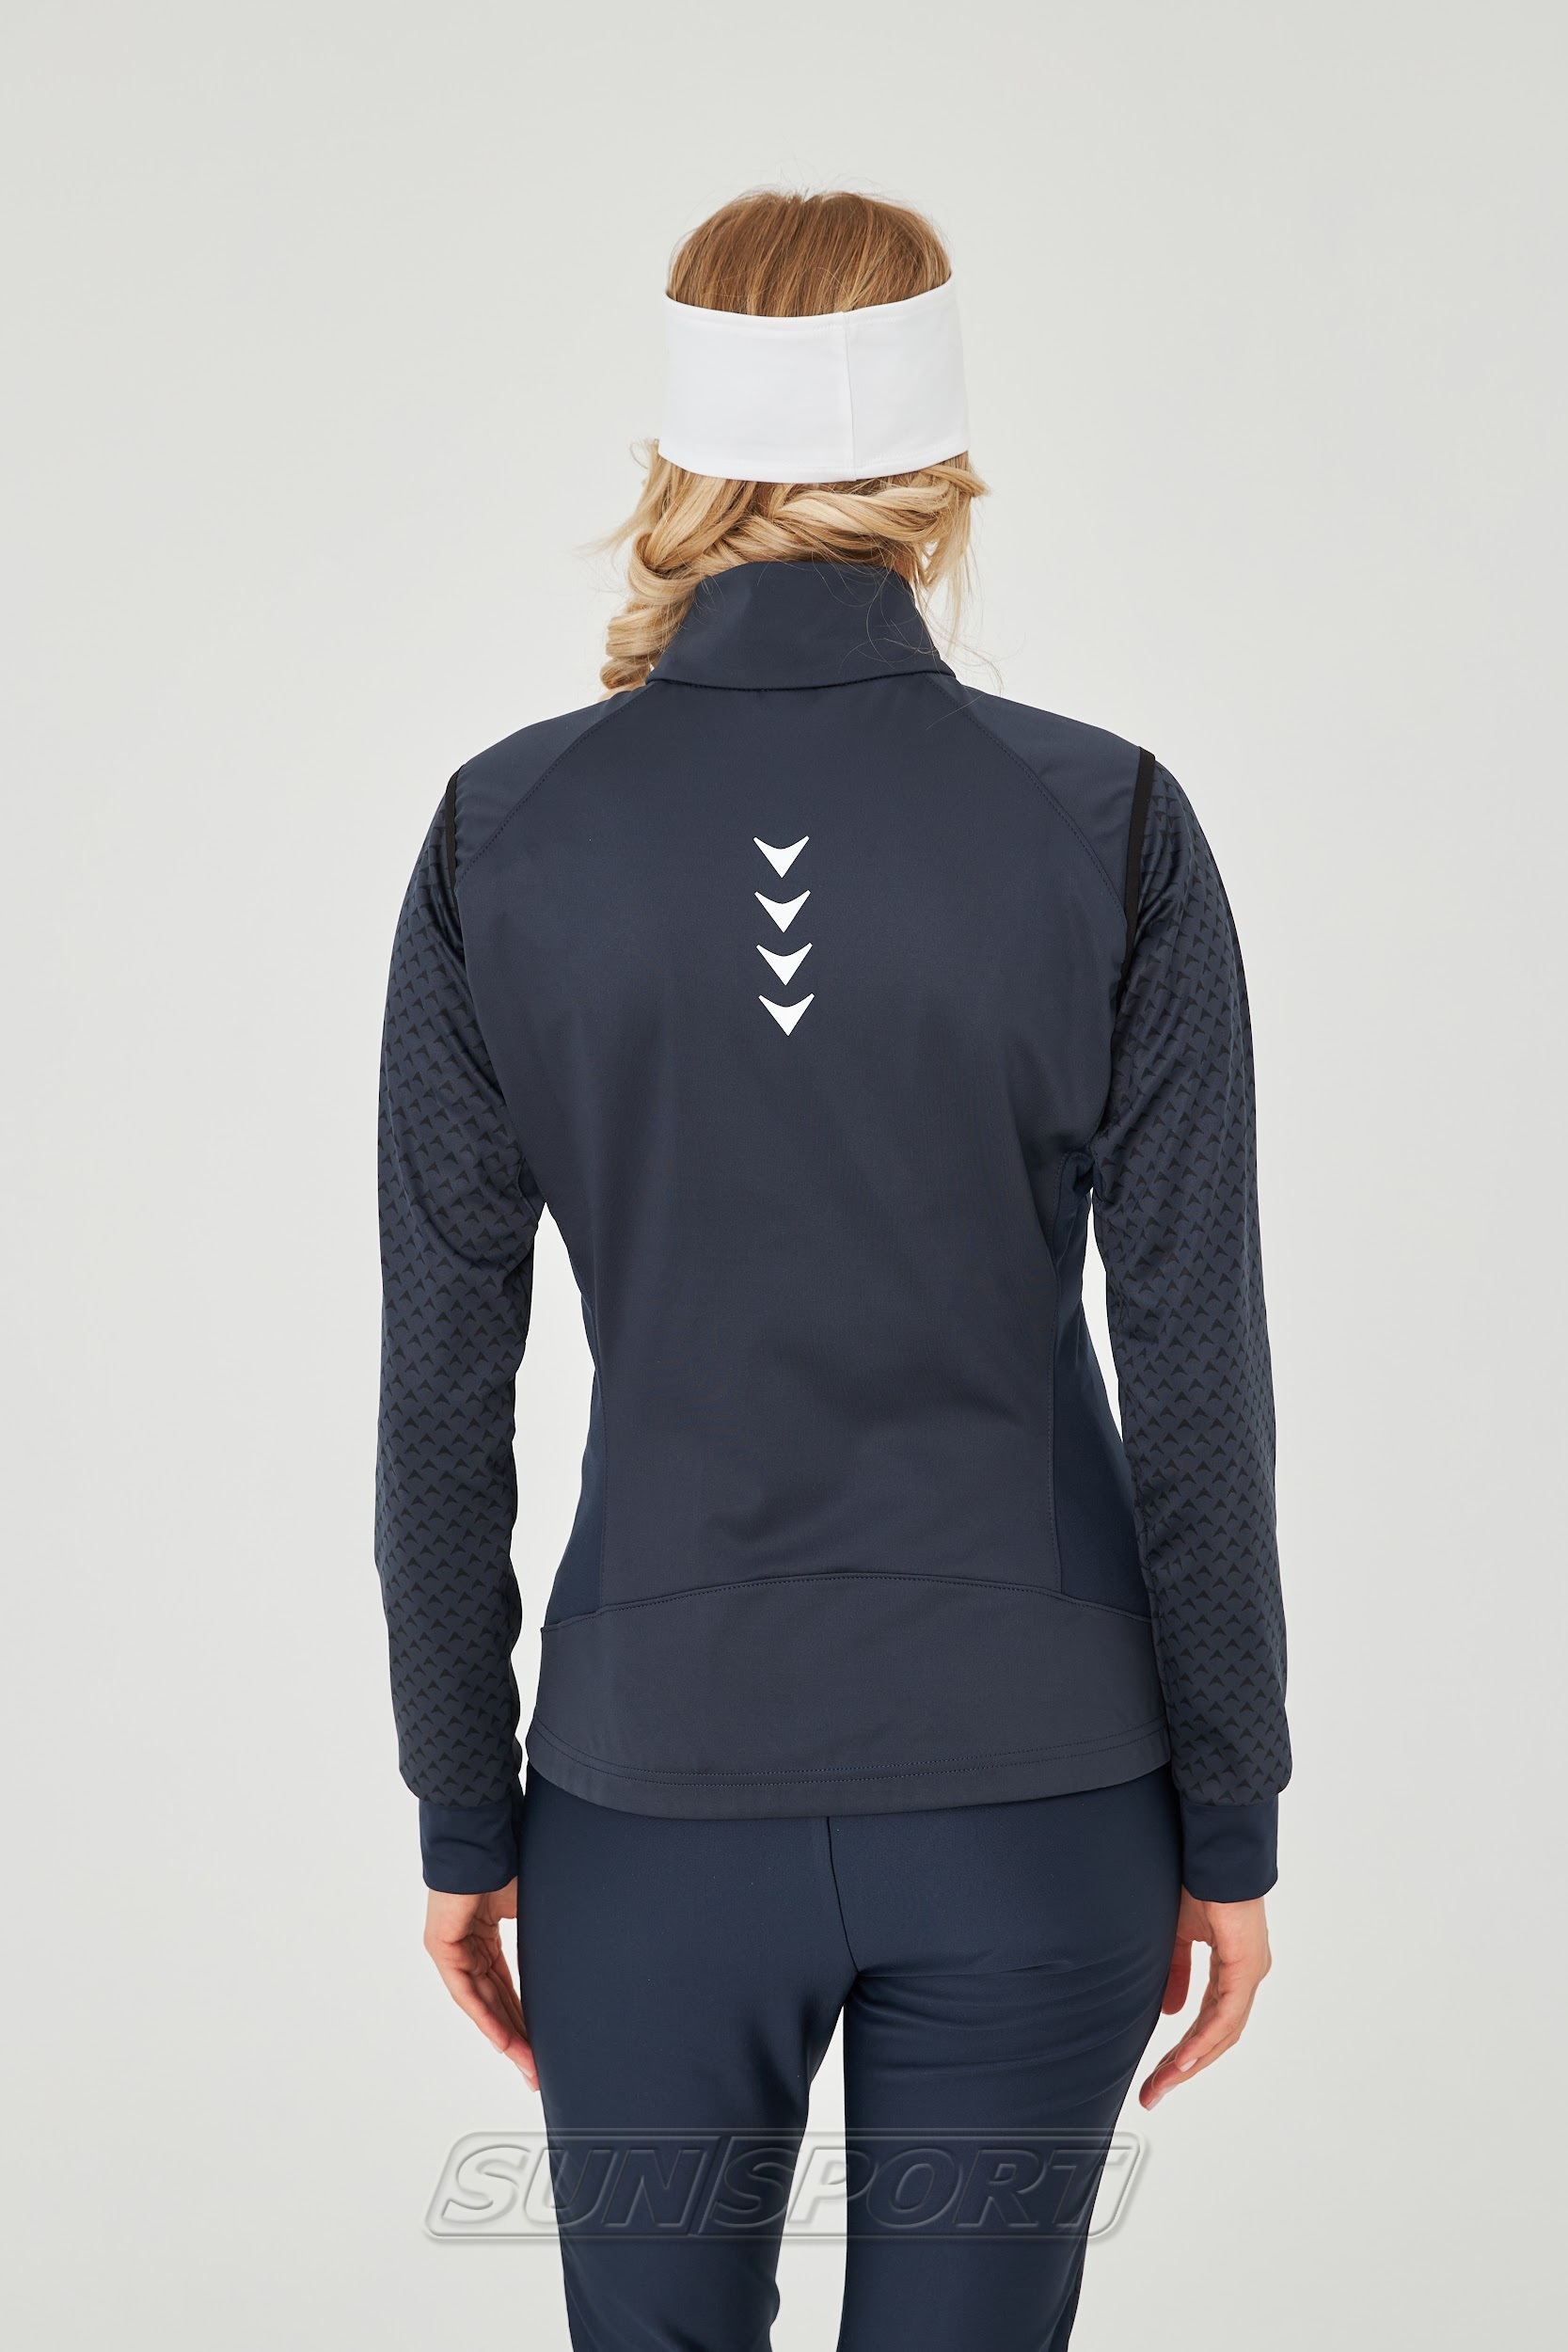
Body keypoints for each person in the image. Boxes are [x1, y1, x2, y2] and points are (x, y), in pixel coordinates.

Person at [374, 187, 1289, 2351]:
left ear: (680, 452)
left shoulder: (507, 836)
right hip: (1040, 1787)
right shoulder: (1109, 826)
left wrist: (462, 1803)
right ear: (941, 462)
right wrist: (1231, 1815)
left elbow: (442, 1388)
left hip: (648, 1791)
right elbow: (1195, 1370)